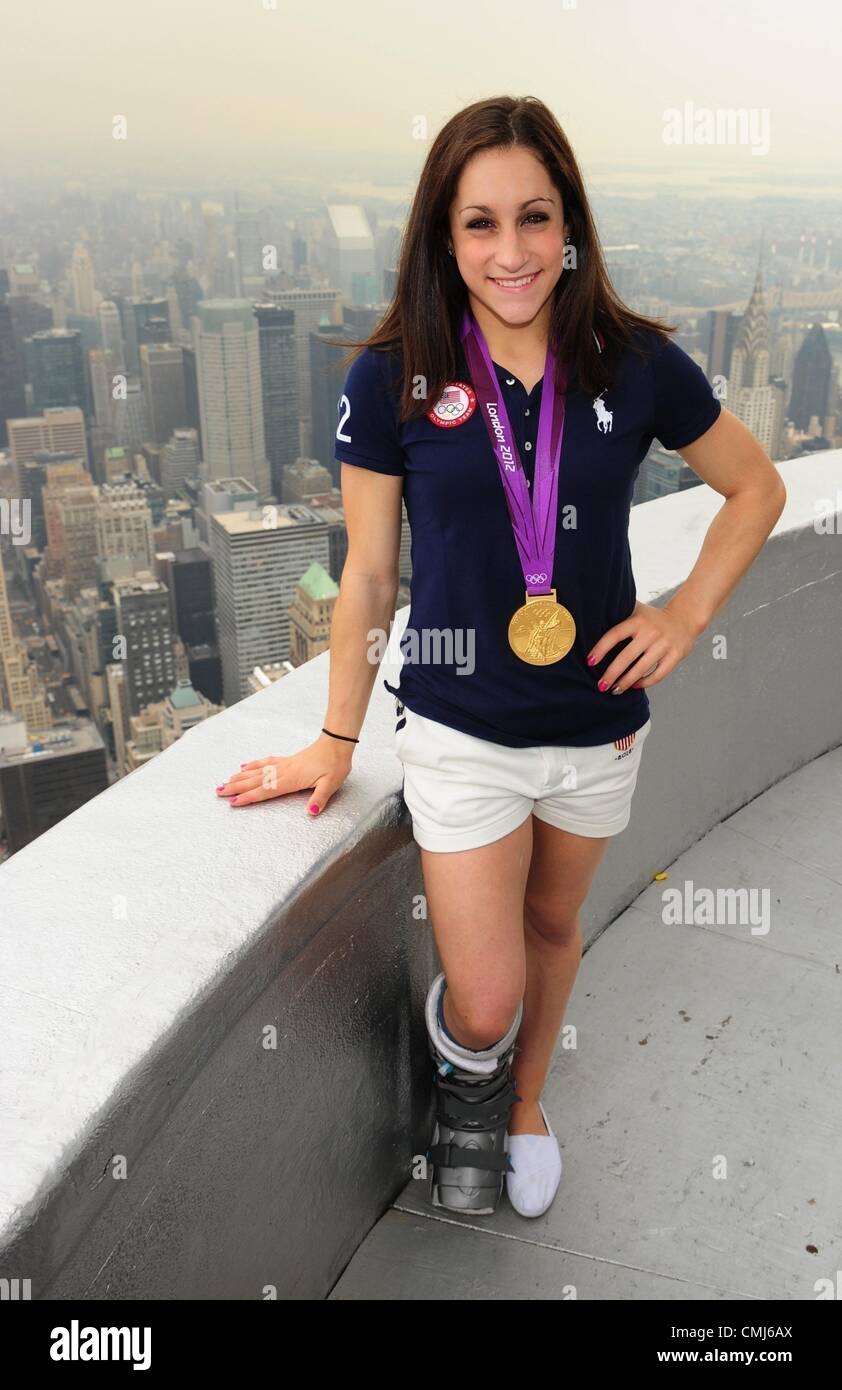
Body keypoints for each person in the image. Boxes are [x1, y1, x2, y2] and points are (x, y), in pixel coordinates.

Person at [216, 95, 786, 1220]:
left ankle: (521, 1103)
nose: (511, 251)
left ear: (568, 225)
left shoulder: (633, 364)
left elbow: (754, 487)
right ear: (443, 235)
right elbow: (370, 576)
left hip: (596, 723)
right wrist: (336, 735)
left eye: (533, 218)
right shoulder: (393, 378)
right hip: (461, 732)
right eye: (479, 224)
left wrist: (680, 614)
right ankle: (471, 1074)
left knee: (552, 929)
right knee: (482, 994)